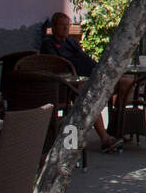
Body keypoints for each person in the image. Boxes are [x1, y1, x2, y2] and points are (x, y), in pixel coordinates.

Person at [40, 12, 128, 151]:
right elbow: (58, 67)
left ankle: (117, 129)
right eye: (62, 25)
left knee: (125, 82)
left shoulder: (70, 42)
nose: (65, 28)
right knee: (89, 96)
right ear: (54, 27)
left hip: (87, 79)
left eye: (67, 25)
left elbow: (85, 58)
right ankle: (105, 138)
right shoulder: (48, 44)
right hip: (64, 87)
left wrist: (101, 70)